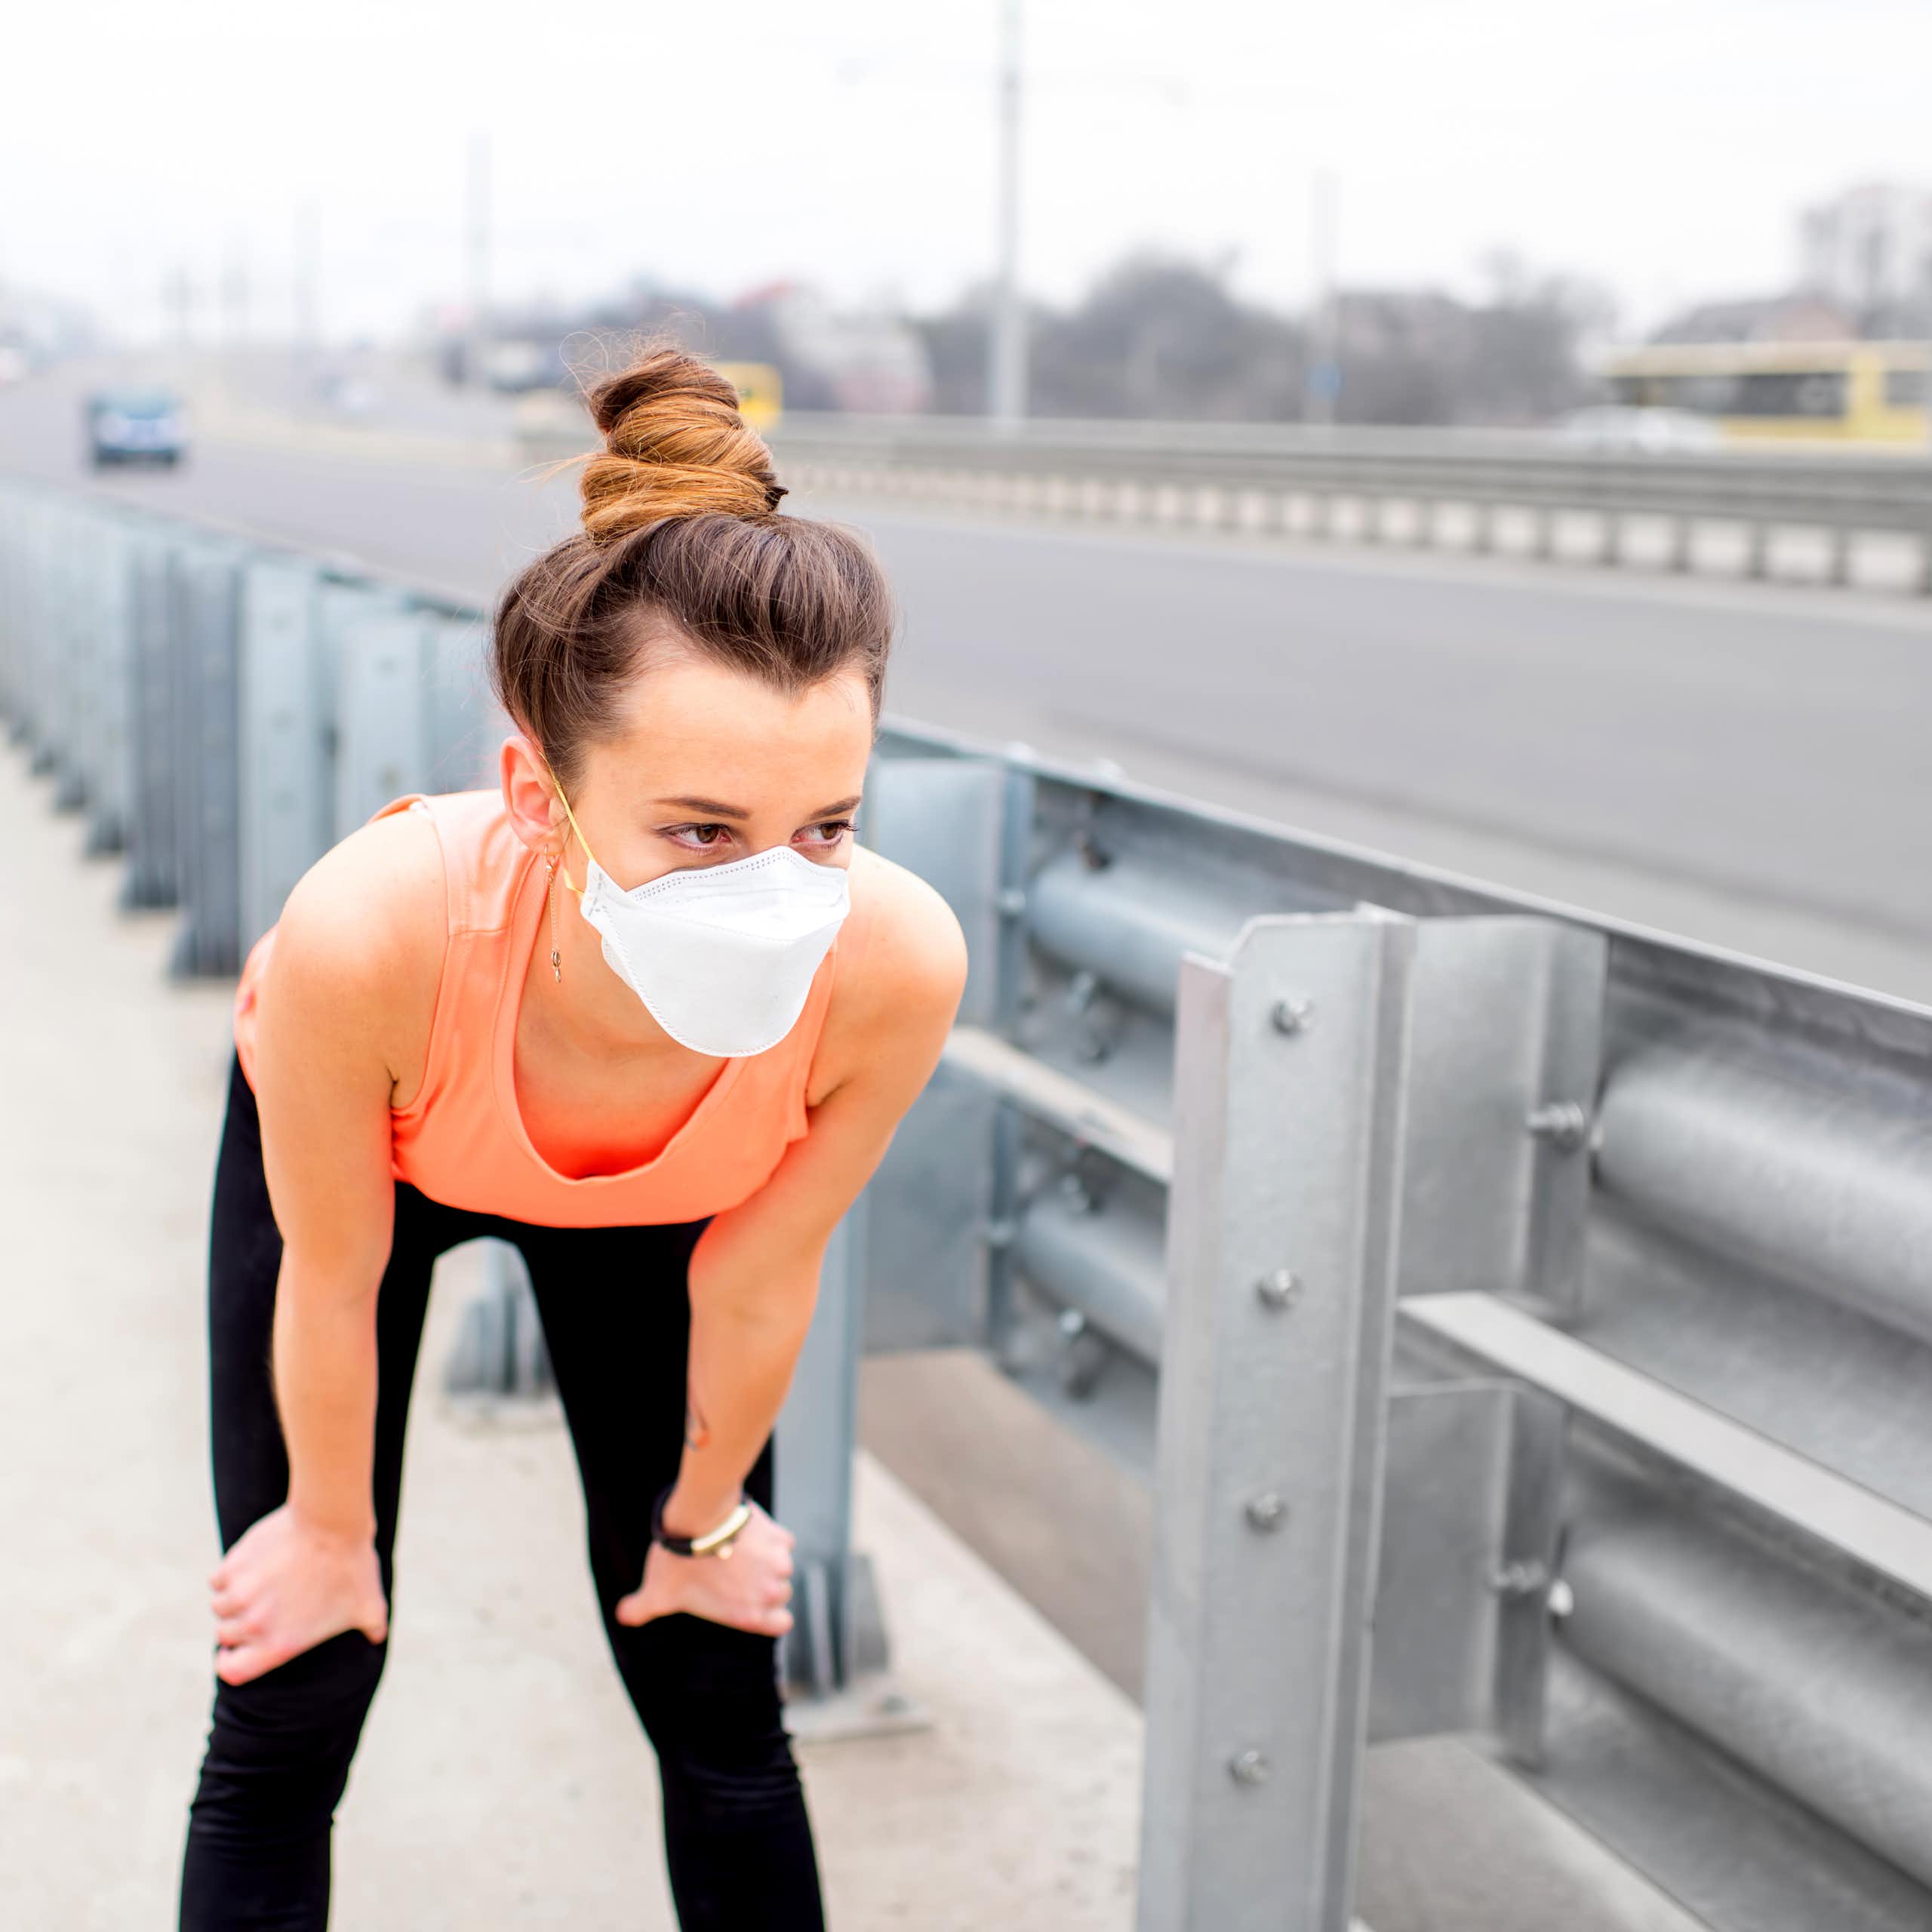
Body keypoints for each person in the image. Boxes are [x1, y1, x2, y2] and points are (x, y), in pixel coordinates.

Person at [176, 342, 970, 1930]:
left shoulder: (888, 960)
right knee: (297, 1674)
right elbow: (331, 1276)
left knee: (713, 1677)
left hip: (653, 1211)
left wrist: (703, 1521)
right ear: (535, 796)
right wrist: (328, 1528)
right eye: (698, 830)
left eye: (825, 824)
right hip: (382, 1163)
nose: (776, 889)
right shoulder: (368, 933)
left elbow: (761, 1269)